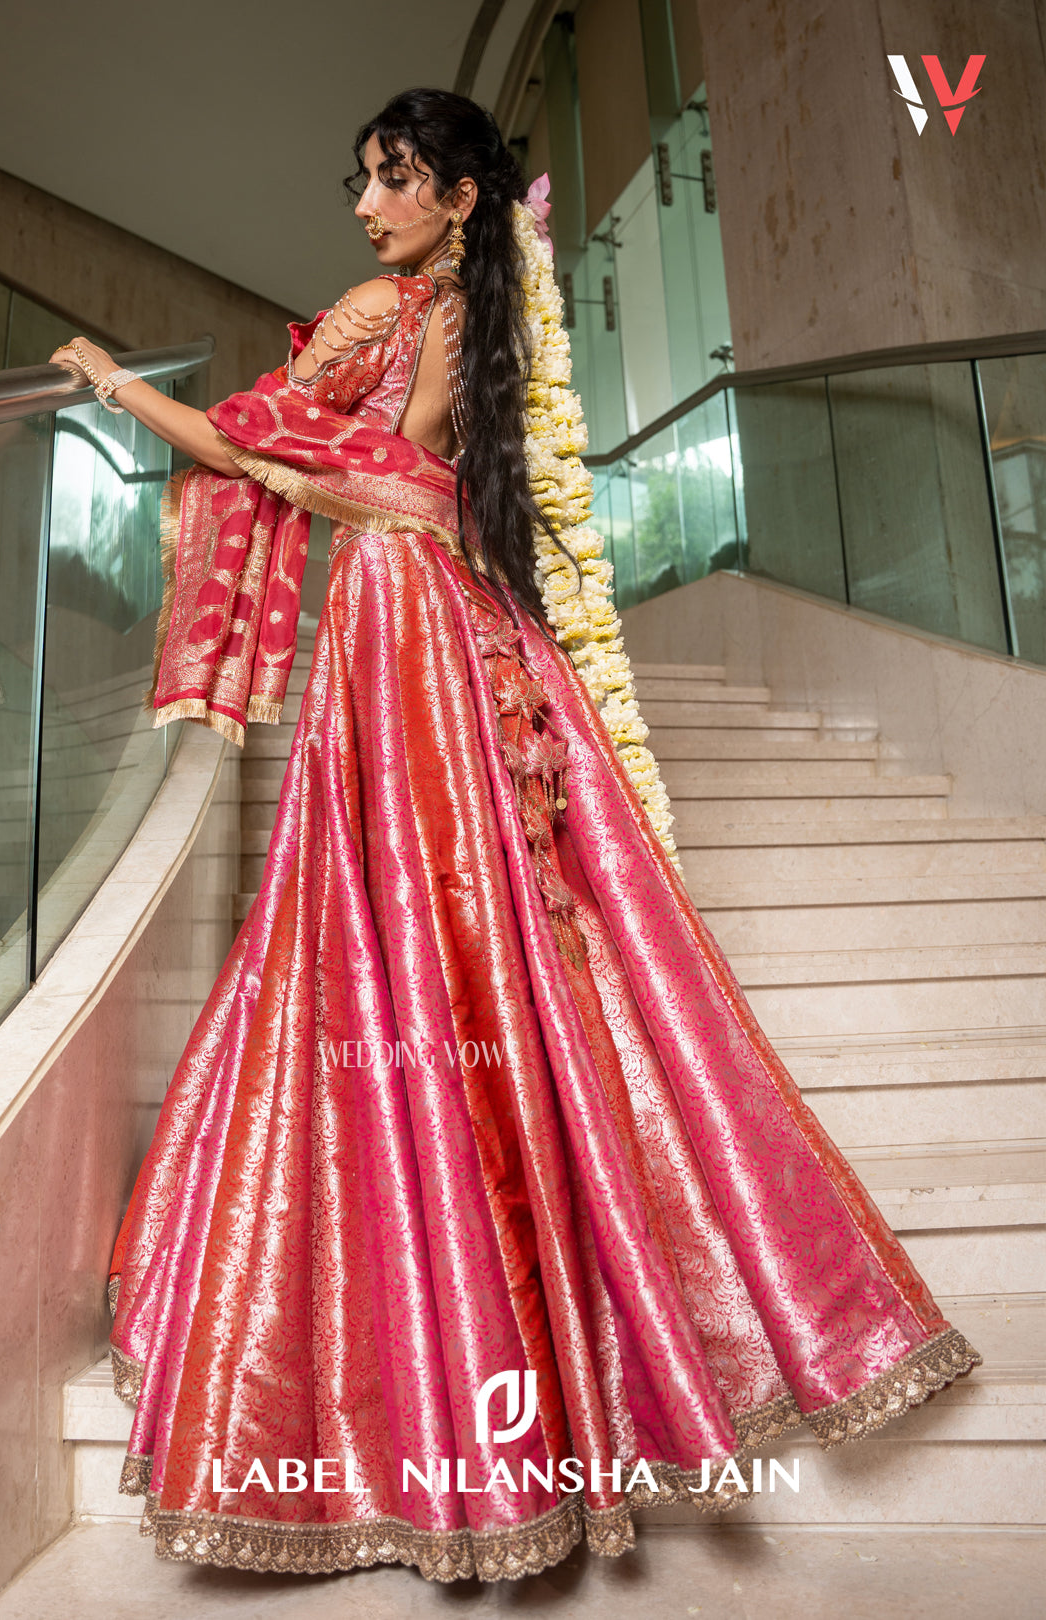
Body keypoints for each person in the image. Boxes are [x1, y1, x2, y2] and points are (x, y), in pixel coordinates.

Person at [51, 88, 980, 1586]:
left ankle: (448, 1360)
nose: (368, 205)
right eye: (361, 179)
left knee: (391, 939)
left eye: (397, 179)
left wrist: (110, 380)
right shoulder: (482, 323)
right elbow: (405, 475)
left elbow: (240, 448)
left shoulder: (385, 309)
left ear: (462, 198)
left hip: (399, 630)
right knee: (488, 944)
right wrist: (322, 477)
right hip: (461, 625)